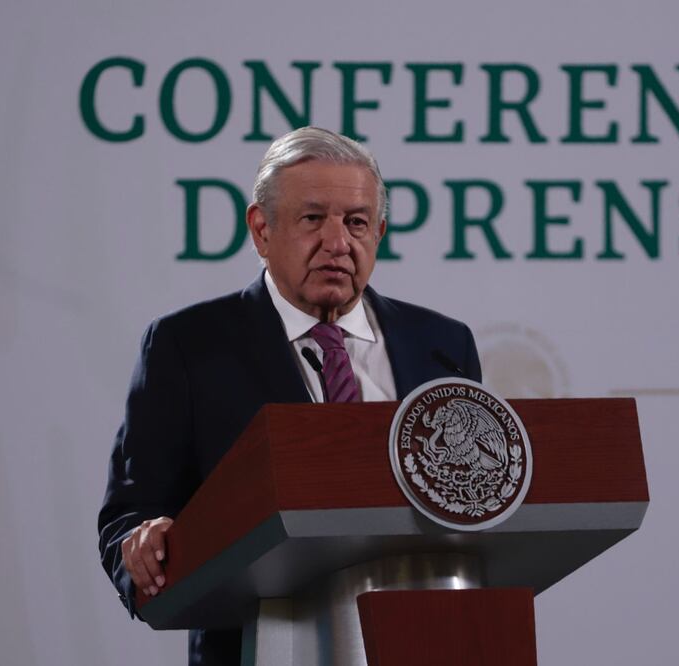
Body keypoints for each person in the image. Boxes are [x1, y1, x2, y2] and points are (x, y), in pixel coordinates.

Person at [97, 127, 482, 665]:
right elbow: (131, 510)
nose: (337, 242)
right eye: (312, 219)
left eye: (356, 222)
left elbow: (476, 502)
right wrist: (143, 541)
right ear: (261, 229)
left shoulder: (443, 345)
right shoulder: (189, 347)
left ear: (380, 233)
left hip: (425, 642)